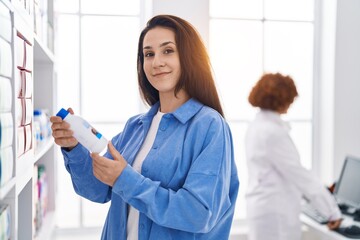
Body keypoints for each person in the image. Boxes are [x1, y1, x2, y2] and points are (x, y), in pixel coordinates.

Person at [50, 15, 239, 240]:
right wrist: (73, 147)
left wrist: (125, 179)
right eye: (148, 54)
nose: (156, 62)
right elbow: (97, 190)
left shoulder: (210, 127)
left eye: (167, 51)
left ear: (189, 57)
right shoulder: (136, 127)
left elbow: (199, 213)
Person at [244, 72, 342, 240]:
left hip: (263, 209)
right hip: (275, 215)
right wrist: (332, 211)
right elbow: (299, 174)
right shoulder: (272, 132)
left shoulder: (257, 126)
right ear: (281, 100)